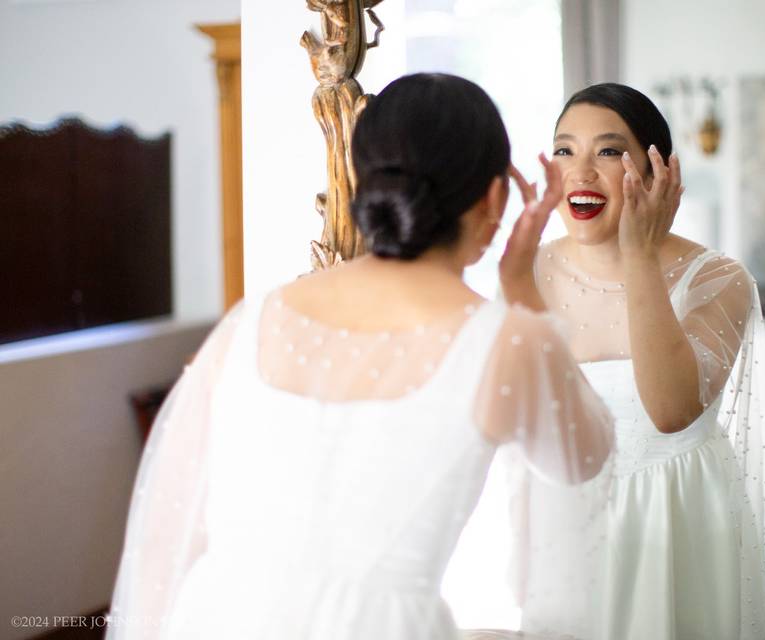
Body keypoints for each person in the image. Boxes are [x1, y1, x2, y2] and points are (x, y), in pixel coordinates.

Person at [105, 73, 614, 640]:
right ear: (495, 197)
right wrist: (518, 280)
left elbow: (166, 535)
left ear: (359, 180)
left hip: (217, 618)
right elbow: (583, 456)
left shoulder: (253, 319)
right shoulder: (509, 341)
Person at [502, 83, 765, 640]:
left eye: (609, 151)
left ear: (658, 172)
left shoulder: (717, 280)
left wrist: (639, 251)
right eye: (564, 150)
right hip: (566, 523)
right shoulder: (529, 272)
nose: (581, 171)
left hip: (679, 519)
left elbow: (669, 409)